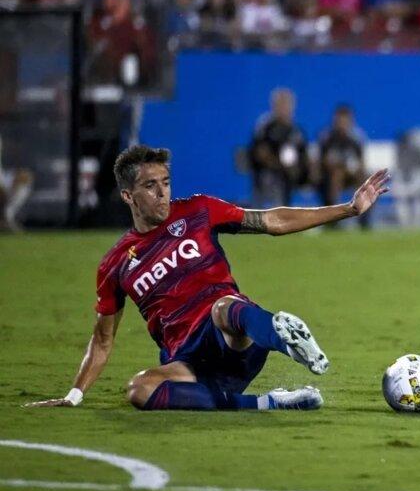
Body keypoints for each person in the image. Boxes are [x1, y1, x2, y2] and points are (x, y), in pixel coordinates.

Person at [25, 145, 390, 411]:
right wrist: (74, 395)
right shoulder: (115, 264)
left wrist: (349, 209)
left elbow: (271, 221)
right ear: (127, 195)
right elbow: (102, 341)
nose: (162, 192)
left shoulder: (199, 211)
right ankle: (267, 403)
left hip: (234, 336)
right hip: (190, 363)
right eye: (150, 186)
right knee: (139, 389)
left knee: (223, 306)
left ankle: (284, 337)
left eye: (165, 182)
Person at [249, 87, 308, 207]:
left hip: (290, 174)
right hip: (267, 173)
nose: (284, 108)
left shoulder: (296, 131)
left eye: (287, 104)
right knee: (272, 179)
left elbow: (303, 155)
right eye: (281, 104)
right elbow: (261, 154)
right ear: (274, 106)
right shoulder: (265, 126)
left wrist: (298, 169)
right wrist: (281, 166)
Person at [314, 104, 370, 228]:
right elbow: (321, 161)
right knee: (337, 174)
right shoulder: (327, 137)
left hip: (350, 174)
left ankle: (365, 219)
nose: (342, 124)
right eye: (340, 121)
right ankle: (333, 219)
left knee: (367, 179)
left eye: (346, 121)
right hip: (329, 177)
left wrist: (354, 170)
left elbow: (361, 162)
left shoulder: (356, 138)